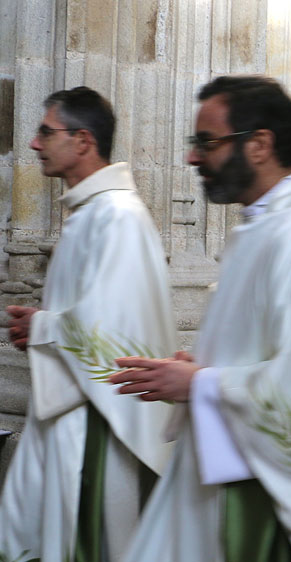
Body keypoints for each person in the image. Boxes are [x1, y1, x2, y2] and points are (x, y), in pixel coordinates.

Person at [110, 76, 291, 561]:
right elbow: (270, 348)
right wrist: (204, 365)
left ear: (259, 145)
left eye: (206, 142)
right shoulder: (263, 226)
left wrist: (202, 384)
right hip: (231, 461)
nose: (193, 158)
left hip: (267, 499)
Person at [0, 87, 176, 561]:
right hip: (65, 411)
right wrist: (41, 326)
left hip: (94, 424)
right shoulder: (91, 213)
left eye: (45, 131)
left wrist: (41, 327)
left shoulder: (118, 217)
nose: (34, 144)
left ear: (82, 141)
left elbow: (116, 336)